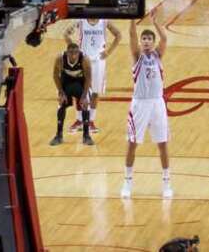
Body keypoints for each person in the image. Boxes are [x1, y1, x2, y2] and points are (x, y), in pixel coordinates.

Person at [121, 14, 172, 199]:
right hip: (140, 103)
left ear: (153, 42)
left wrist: (157, 22)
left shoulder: (158, 55)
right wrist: (132, 19)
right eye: (144, 39)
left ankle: (166, 183)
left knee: (163, 143)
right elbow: (131, 36)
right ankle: (127, 182)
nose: (147, 42)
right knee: (132, 143)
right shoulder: (137, 57)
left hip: (157, 102)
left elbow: (165, 38)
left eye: (150, 39)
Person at [63, 19, 122, 133]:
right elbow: (66, 34)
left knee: (95, 92)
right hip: (83, 61)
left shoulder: (104, 22)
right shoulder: (80, 21)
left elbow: (118, 35)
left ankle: (90, 121)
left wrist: (108, 52)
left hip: (99, 62)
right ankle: (80, 120)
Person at [49, 43, 94, 146]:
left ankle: (86, 136)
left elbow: (88, 78)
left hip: (81, 82)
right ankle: (58, 135)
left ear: (79, 53)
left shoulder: (85, 59)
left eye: (75, 53)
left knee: (85, 103)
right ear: (67, 52)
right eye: (71, 53)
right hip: (66, 82)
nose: (73, 55)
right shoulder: (60, 59)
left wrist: (84, 96)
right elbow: (55, 76)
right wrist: (61, 92)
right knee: (61, 103)